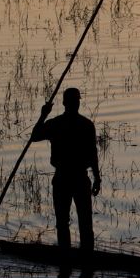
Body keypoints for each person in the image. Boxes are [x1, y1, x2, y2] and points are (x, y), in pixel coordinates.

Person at [32, 87, 100, 252]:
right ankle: (67, 256)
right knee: (63, 222)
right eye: (73, 101)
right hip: (64, 178)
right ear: (65, 103)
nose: (75, 104)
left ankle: (85, 257)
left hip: (78, 178)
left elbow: (92, 153)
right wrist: (44, 115)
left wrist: (97, 177)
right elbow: (34, 137)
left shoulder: (83, 125)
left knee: (84, 222)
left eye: (76, 101)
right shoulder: (59, 123)